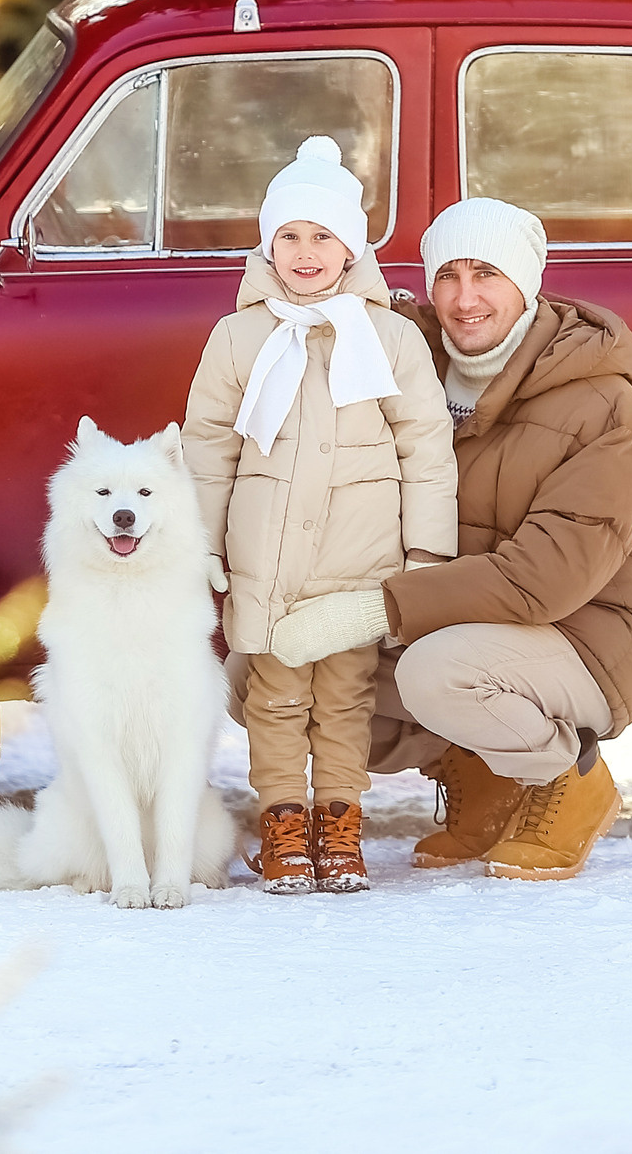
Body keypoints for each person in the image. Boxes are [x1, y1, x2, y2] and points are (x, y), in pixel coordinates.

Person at [268, 196, 632, 882]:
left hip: (586, 639)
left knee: (437, 671)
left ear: (526, 281)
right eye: (448, 276)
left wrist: (373, 610)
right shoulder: (406, 365)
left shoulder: (602, 405)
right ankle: (483, 777)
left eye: (486, 273)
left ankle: (572, 780)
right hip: (448, 617)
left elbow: (542, 578)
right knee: (265, 674)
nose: (464, 299)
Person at [182, 137, 457, 894]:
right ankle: (282, 826)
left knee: (344, 699)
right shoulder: (238, 336)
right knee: (274, 698)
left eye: (323, 235)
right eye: (290, 235)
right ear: (269, 243)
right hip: (265, 558)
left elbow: (426, 445)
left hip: (359, 561)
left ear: (351, 246)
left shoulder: (391, 338)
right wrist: (203, 542)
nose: (306, 251)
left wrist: (427, 549)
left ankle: (339, 826)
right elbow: (208, 446)